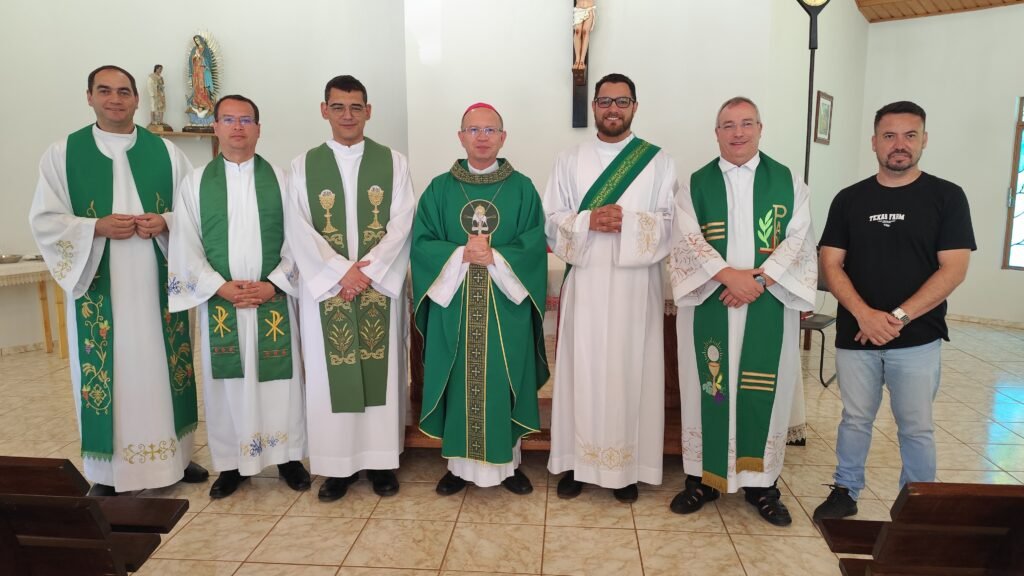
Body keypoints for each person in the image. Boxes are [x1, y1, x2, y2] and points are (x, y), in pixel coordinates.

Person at [29, 65, 206, 495]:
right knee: (111, 374)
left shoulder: (166, 153)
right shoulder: (62, 154)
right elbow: (45, 220)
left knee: (163, 369)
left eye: (124, 91)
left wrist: (165, 222)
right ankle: (107, 472)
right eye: (105, 91)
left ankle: (178, 458)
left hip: (158, 288)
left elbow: (196, 211)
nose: (115, 99)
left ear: (137, 99)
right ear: (89, 96)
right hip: (99, 287)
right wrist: (95, 227)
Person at [813, 101, 975, 521]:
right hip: (856, 334)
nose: (899, 144)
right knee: (855, 419)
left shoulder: (947, 197)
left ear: (924, 140)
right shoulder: (849, 199)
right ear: (874, 142)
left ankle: (919, 503)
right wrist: (865, 315)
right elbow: (830, 264)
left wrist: (897, 318)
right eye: (889, 135)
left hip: (917, 337)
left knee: (916, 426)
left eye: (909, 135)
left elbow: (953, 269)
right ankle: (845, 489)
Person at [667, 96, 817, 526]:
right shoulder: (695, 184)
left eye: (746, 123)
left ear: (760, 128)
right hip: (711, 301)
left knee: (764, 389)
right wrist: (727, 276)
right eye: (728, 125)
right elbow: (687, 238)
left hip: (767, 302)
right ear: (717, 133)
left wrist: (758, 281)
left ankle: (762, 484)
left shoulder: (787, 181)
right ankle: (702, 479)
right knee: (708, 387)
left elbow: (799, 239)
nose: (738, 133)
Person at [168, 95, 310, 499]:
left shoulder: (283, 180)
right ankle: (231, 465)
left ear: (259, 129)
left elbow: (300, 240)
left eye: (246, 120)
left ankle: (287, 457)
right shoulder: (196, 183)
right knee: (227, 386)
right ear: (215, 127)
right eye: (228, 120)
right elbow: (185, 244)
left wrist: (274, 283)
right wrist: (219, 286)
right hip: (223, 303)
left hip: (272, 300)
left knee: (279, 384)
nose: (237, 127)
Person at [545, 73, 677, 503]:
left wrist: (630, 223)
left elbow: (672, 223)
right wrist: (588, 221)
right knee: (581, 370)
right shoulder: (569, 159)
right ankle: (575, 463)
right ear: (594, 107)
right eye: (605, 101)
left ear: (635, 106)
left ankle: (627, 468)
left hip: (635, 287)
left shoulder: (658, 162)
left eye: (622, 101)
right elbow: (551, 219)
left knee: (629, 371)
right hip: (585, 282)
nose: (613, 109)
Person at [286, 75, 415, 501]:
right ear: (324, 110)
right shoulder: (302, 166)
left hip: (376, 287)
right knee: (329, 375)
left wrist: (368, 272)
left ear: (368, 111)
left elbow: (403, 223)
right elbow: (298, 229)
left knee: (382, 372)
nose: (347, 115)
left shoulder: (393, 162)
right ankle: (337, 466)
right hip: (329, 290)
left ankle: (381, 462)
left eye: (356, 107)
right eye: (338, 107)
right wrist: (341, 273)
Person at [412, 102, 548, 496]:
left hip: (504, 307)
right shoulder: (439, 189)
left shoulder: (522, 188)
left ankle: (509, 465)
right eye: (474, 130)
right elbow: (421, 243)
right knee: (457, 381)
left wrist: (497, 258)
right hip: (454, 307)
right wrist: (460, 254)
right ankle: (457, 467)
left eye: (490, 130)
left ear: (503, 138)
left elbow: (534, 244)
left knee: (505, 379)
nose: (482, 137)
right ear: (461, 137)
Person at [573, 0, 596, 71]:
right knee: (577, 31)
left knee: (585, 31)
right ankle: (577, 59)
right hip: (579, 9)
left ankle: (582, 61)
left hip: (589, 9)